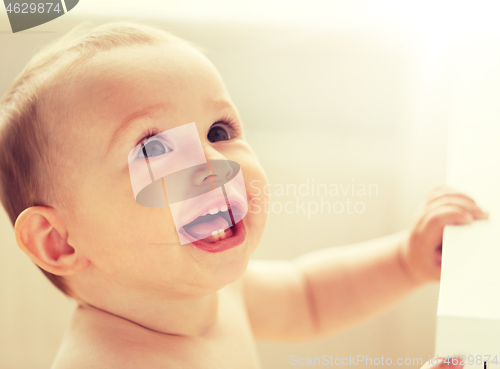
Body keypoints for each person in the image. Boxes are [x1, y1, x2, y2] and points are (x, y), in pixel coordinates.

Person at [0, 21, 488, 368]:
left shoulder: (213, 293)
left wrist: (405, 261)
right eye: (154, 151)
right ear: (58, 242)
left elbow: (309, 298)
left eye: (217, 130)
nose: (214, 165)